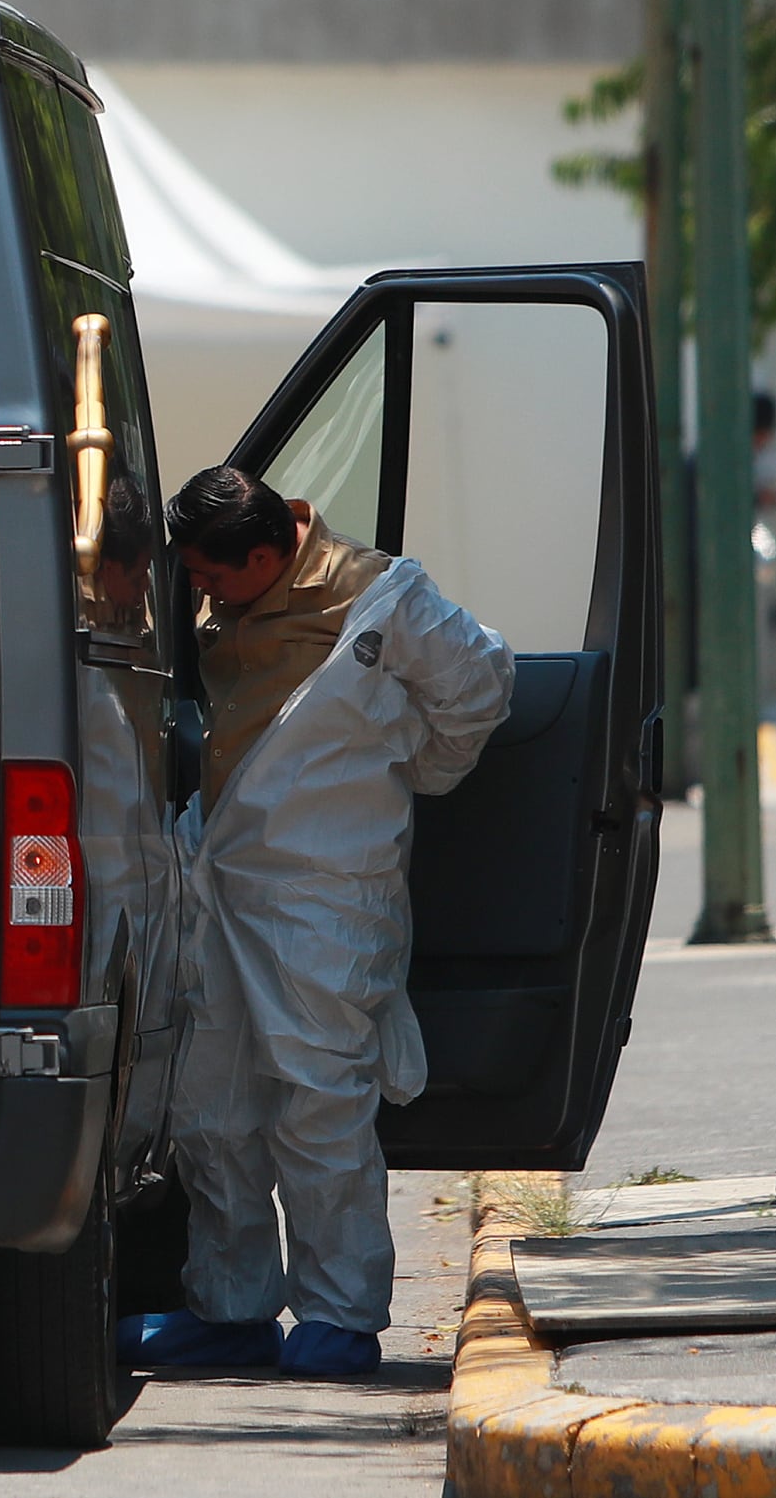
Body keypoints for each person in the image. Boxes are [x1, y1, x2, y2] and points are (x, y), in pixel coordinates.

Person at [120, 467, 512, 1378]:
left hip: (323, 887)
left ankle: (337, 1314)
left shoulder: (381, 595)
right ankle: (230, 1307)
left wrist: (402, 761)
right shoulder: (238, 582)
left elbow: (480, 687)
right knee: (209, 1105)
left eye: (213, 577)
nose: (201, 594)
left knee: (319, 1098)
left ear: (263, 554)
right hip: (221, 877)